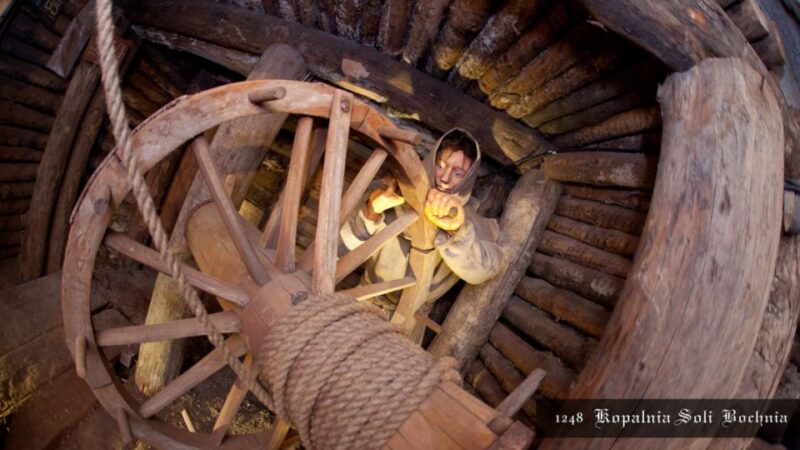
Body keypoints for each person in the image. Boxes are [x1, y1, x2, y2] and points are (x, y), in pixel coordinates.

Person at [340, 128, 503, 316]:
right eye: (440, 166)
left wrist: (457, 230)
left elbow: (480, 273)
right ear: (431, 161)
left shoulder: (470, 223)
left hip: (409, 321)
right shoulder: (391, 191)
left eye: (457, 173)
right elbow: (340, 248)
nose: (444, 178)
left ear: (468, 179)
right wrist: (372, 211)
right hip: (362, 302)